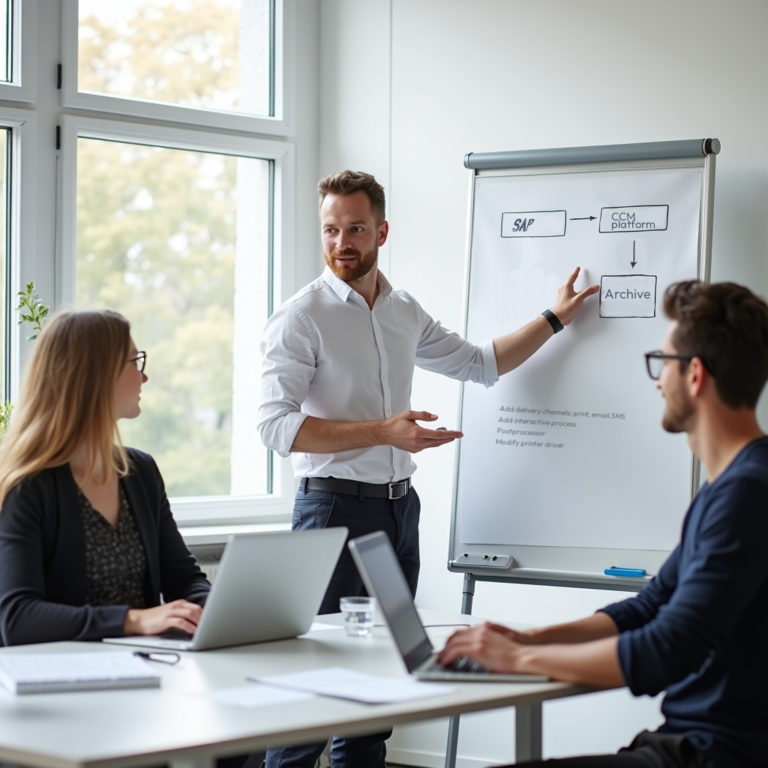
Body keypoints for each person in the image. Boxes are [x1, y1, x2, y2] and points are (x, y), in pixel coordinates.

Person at [257, 170, 599, 768]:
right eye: (331, 230)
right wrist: (383, 431)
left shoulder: (402, 310)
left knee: (380, 694)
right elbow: (274, 427)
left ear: (381, 231)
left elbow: (480, 364)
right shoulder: (301, 316)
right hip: (329, 511)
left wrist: (555, 319)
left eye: (356, 229)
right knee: (312, 703)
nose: (343, 243)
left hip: (396, 511)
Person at [438, 280, 768, 768]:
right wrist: (530, 639)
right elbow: (651, 607)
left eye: (664, 362)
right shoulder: (732, 488)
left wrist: (518, 660)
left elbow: (667, 650)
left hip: (715, 753)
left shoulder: (748, 494)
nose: (658, 382)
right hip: (688, 742)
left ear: (695, 375)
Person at [0, 309, 210, 646]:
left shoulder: (141, 472)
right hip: (58, 679)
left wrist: (212, 608)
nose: (144, 377)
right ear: (93, 375)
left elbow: (183, 579)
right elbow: (17, 618)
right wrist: (134, 620)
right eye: (134, 361)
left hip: (145, 668)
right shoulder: (27, 486)